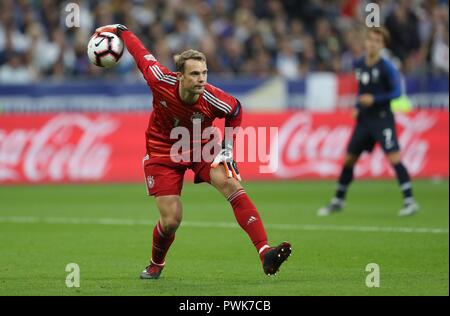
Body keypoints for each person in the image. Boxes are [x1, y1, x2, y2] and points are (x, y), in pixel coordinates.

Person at [94, 24, 291, 279]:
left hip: (202, 145)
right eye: (195, 74)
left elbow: (235, 111)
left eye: (205, 73)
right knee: (172, 220)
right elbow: (140, 52)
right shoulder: (159, 79)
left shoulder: (212, 97)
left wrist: (227, 150)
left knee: (231, 184)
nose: (201, 79)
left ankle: (265, 252)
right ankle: (156, 263)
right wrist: (120, 30)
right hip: (163, 150)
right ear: (180, 76)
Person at [318, 27, 419, 217]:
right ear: (365, 42)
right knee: (349, 159)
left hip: (382, 118)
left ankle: (410, 201)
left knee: (394, 157)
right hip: (365, 119)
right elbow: (361, 89)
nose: (372, 43)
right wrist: (358, 106)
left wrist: (375, 99)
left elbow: (397, 93)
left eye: (377, 41)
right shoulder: (359, 64)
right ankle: (338, 200)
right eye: (370, 39)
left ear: (382, 45)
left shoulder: (387, 67)